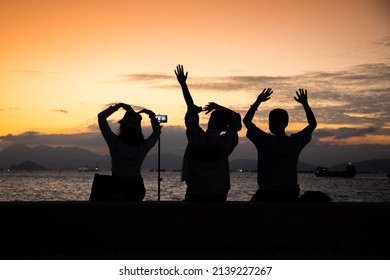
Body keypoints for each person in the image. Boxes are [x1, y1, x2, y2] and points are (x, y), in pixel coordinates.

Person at [175, 64, 242, 201]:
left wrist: (183, 84)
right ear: (225, 127)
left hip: (195, 195)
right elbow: (237, 120)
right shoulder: (226, 143)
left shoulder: (196, 138)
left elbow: (190, 108)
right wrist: (219, 107)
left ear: (209, 121)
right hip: (218, 195)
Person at [243, 88, 317, 201]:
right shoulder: (295, 142)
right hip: (290, 195)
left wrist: (258, 101)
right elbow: (312, 124)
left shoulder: (264, 141)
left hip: (267, 194)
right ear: (286, 123)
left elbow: (247, 121)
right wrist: (305, 104)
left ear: (270, 124)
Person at [97, 103, 161, 201]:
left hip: (117, 187)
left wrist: (116, 107)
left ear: (123, 127)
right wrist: (152, 115)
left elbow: (101, 117)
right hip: (136, 188)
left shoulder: (115, 143)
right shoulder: (143, 146)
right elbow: (157, 132)